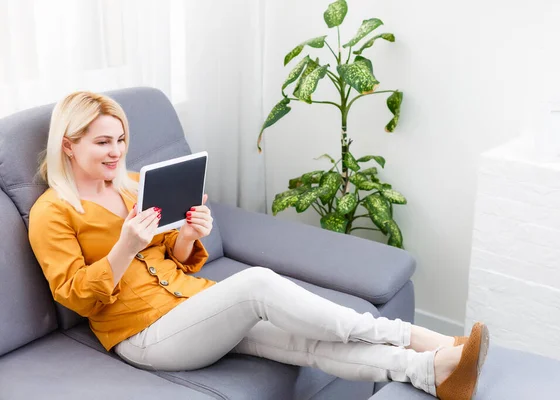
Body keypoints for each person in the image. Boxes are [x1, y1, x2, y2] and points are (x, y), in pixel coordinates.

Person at [28, 91, 489, 399]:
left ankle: (431, 373)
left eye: (122, 140)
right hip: (142, 337)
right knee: (257, 285)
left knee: (302, 345)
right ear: (68, 145)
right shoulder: (53, 211)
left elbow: (175, 263)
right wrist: (124, 246)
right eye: (102, 142)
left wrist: (188, 235)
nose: (116, 151)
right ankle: (421, 337)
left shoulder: (131, 185)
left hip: (195, 307)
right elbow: (73, 295)